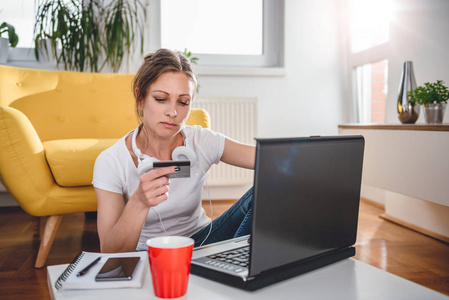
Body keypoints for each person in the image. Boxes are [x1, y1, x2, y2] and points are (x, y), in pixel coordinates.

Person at [93, 49, 255, 253]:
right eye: (161, 99)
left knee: (263, 192)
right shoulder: (111, 161)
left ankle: (235, 264)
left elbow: (266, 159)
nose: (173, 112)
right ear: (140, 98)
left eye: (183, 102)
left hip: (202, 242)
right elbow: (110, 252)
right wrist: (139, 202)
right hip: (149, 252)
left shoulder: (200, 141)